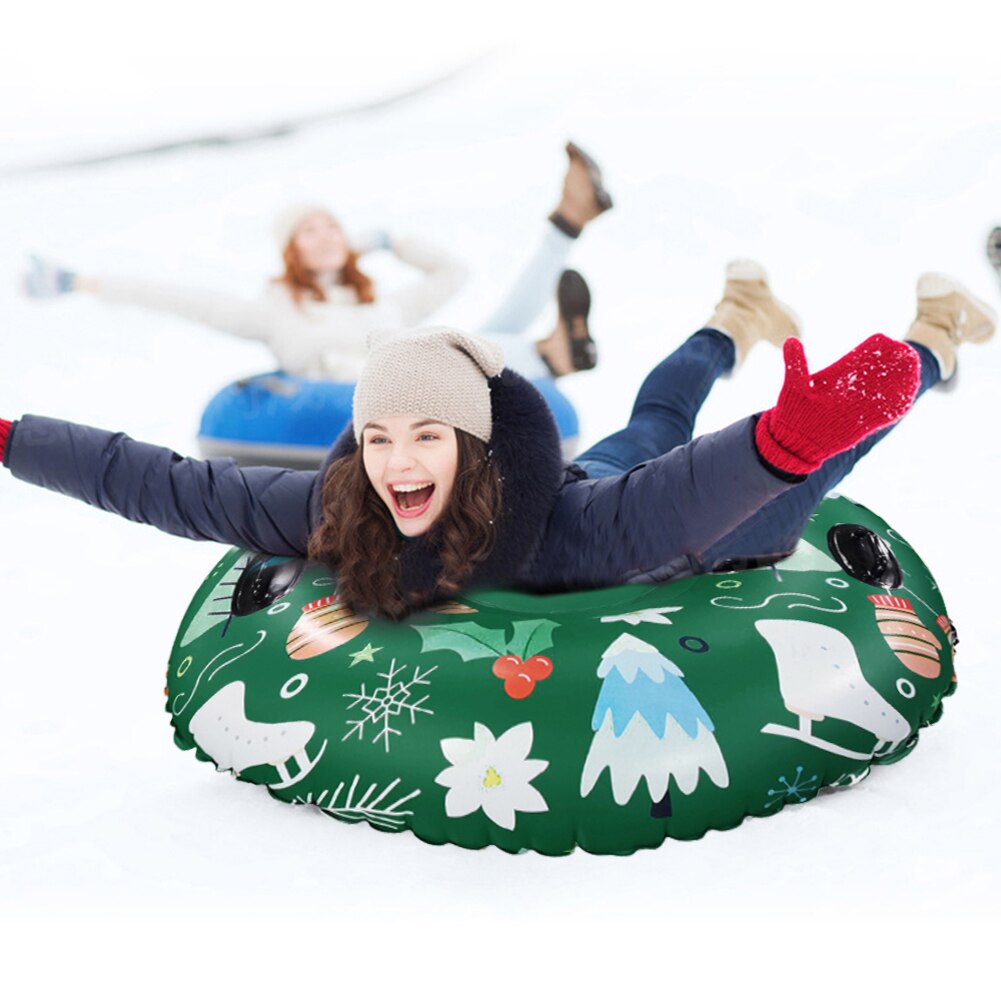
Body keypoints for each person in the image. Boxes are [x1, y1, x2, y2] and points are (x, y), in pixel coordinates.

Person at [2, 261, 994, 621]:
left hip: (719, 532)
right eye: (377, 436)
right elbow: (162, 481)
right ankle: (737, 313)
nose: (396, 461)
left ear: (471, 444)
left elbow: (674, 504)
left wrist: (781, 446)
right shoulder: (337, 507)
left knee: (817, 442)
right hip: (592, 483)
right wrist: (9, 437)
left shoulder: (568, 531)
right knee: (652, 421)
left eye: (425, 435)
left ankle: (933, 333)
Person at [21, 142, 611, 383]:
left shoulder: (379, 300)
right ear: (292, 250)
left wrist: (388, 240)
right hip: (382, 391)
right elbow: (181, 298)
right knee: (484, 341)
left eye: (332, 225)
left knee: (498, 327)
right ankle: (550, 350)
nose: (325, 235)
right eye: (310, 229)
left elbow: (453, 274)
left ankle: (568, 220)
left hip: (427, 365)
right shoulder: (274, 309)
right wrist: (80, 281)